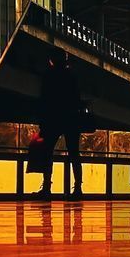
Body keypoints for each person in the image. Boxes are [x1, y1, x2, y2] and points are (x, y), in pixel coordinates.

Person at [36, 50, 86, 199]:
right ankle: (77, 188)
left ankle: (46, 187)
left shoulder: (48, 75)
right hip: (71, 118)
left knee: (47, 153)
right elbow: (76, 98)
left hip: (52, 118)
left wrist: (42, 119)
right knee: (74, 154)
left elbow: (44, 99)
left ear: (51, 60)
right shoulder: (72, 76)